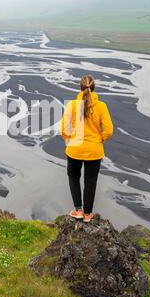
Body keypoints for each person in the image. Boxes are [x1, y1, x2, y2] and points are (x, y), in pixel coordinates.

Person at [60, 75, 113, 222]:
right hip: (94, 150)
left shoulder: (72, 105)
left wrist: (70, 140)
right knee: (90, 181)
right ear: (93, 87)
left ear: (80, 87)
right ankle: (88, 214)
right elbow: (108, 130)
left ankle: (78, 210)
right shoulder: (101, 106)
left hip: (74, 149)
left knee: (73, 177)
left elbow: (64, 129)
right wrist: (98, 140)